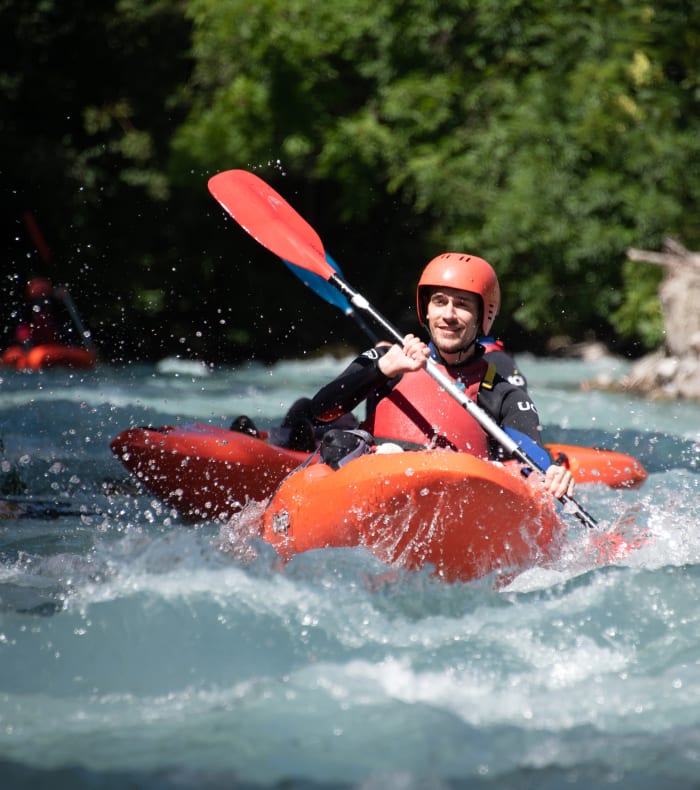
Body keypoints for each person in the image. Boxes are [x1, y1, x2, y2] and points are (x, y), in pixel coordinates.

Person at [275, 252, 574, 499]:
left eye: (462, 304)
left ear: (484, 315)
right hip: (376, 481)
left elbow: (532, 455)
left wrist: (551, 472)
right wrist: (380, 371)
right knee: (339, 442)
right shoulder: (388, 358)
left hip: (455, 498)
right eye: (440, 302)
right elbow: (321, 411)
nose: (448, 315)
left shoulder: (502, 392)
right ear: (426, 310)